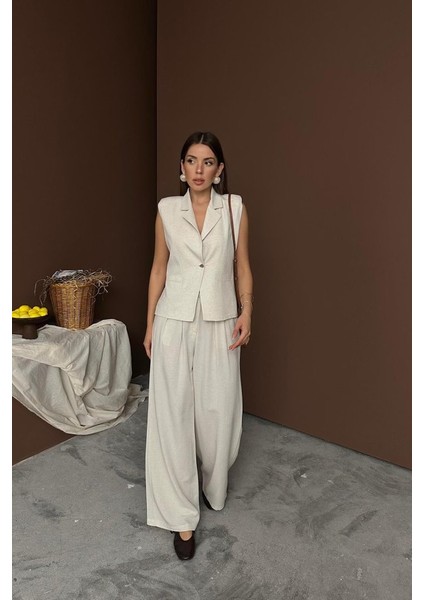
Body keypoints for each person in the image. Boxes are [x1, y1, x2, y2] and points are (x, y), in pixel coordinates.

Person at [143, 131, 253, 560]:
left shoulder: (235, 208)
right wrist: (149, 325)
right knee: (172, 416)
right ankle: (181, 518)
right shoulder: (166, 211)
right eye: (191, 161)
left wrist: (247, 311)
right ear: (182, 167)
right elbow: (158, 269)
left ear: (219, 169)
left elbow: (242, 267)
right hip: (173, 321)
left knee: (217, 416)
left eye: (208, 162)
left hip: (220, 321)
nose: (199, 170)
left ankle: (212, 485)